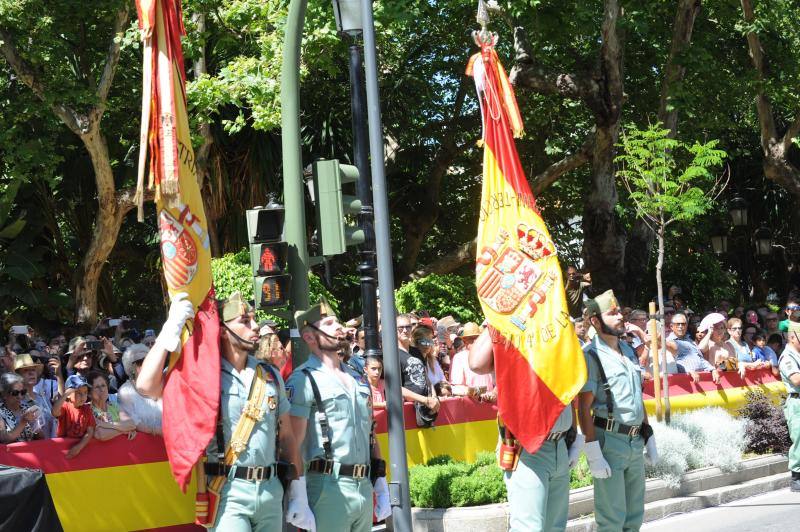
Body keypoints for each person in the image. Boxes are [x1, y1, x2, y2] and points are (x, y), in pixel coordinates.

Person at [137, 292, 302, 531]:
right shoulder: (202, 375)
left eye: (254, 319)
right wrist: (168, 331)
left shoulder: (269, 375)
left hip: (270, 491)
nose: (255, 327)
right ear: (223, 330)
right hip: (228, 491)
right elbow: (146, 386)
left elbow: (287, 436)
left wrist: (299, 490)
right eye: (245, 321)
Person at [287, 297, 391, 531]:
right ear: (309, 337)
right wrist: (298, 495)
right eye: (329, 323)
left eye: (338, 322)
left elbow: (370, 433)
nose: (339, 327)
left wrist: (380, 481)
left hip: (363, 483)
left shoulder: (357, 378)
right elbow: (293, 442)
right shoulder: (304, 379)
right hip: (327, 486)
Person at [469, 325, 584, 531]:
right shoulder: (510, 329)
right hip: (527, 448)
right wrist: (497, 317)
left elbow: (569, 391)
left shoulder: (550, 323)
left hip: (559, 444)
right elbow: (477, 363)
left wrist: (574, 435)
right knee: (529, 528)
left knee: (555, 527)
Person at [577, 290, 658, 532]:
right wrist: (592, 451)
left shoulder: (628, 350)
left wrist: (649, 434)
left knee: (634, 517)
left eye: (619, 312)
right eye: (612, 314)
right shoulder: (591, 355)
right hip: (609, 441)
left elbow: (637, 396)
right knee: (612, 518)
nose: (620, 317)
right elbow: (583, 407)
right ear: (595, 321)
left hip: (634, 440)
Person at [396, 314, 440, 418]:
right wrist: (424, 400)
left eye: (408, 327)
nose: (405, 330)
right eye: (401, 327)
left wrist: (434, 396)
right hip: (408, 409)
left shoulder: (416, 351)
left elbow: (426, 378)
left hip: (426, 406)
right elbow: (396, 388)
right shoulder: (392, 356)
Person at [118, 344, 163, 436]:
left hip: (170, 440)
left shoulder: (162, 383)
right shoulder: (126, 390)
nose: (145, 364)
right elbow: (131, 421)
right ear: (131, 367)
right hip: (142, 444)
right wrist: (157, 431)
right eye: (140, 362)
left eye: (147, 360)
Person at [52, 374, 96, 459]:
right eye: (78, 393)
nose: (83, 396)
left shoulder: (87, 409)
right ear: (68, 394)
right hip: (62, 450)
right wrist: (65, 395)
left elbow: (90, 431)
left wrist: (79, 447)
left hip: (80, 450)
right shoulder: (65, 406)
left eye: (85, 392)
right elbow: (54, 412)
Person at [778, 321, 800, 492]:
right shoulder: (788, 357)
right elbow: (796, 379)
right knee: (799, 439)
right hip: (796, 402)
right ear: (793, 338)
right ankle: (796, 477)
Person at [15, 353, 57, 438]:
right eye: (26, 370)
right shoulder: (16, 401)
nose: (31, 373)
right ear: (17, 376)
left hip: (52, 447)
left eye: (33, 369)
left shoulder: (42, 397)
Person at [450, 322, 495, 401]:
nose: (475, 341)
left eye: (477, 338)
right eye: (471, 339)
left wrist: (493, 393)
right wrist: (479, 392)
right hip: (471, 404)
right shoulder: (459, 358)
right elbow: (456, 387)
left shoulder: (488, 356)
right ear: (464, 341)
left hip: (491, 403)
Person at [88, 370, 136, 441]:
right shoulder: (88, 409)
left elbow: (132, 424)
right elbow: (101, 434)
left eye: (103, 385)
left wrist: (108, 425)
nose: (102, 390)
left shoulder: (114, 405)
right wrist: (124, 430)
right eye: (97, 387)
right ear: (89, 393)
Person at [0, 372, 43, 442]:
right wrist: (23, 422)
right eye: (15, 393)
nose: (20, 397)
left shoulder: (26, 408)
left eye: (23, 392)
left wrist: (35, 425)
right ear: (4, 394)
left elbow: (41, 438)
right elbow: (4, 439)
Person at [411, 325, 450, 397]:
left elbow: (443, 381)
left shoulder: (432, 360)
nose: (427, 345)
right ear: (415, 342)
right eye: (423, 341)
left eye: (429, 340)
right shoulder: (411, 361)